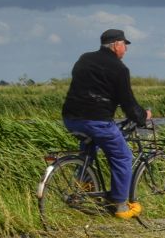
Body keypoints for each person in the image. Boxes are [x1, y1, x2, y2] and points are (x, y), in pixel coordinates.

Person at [62, 29, 152, 219]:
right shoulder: (119, 69)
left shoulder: (84, 59)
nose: (125, 50)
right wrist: (143, 116)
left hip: (71, 119)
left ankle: (83, 187)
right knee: (123, 156)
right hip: (97, 121)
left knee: (89, 148)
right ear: (116, 45)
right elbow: (128, 103)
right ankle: (120, 205)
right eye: (124, 45)